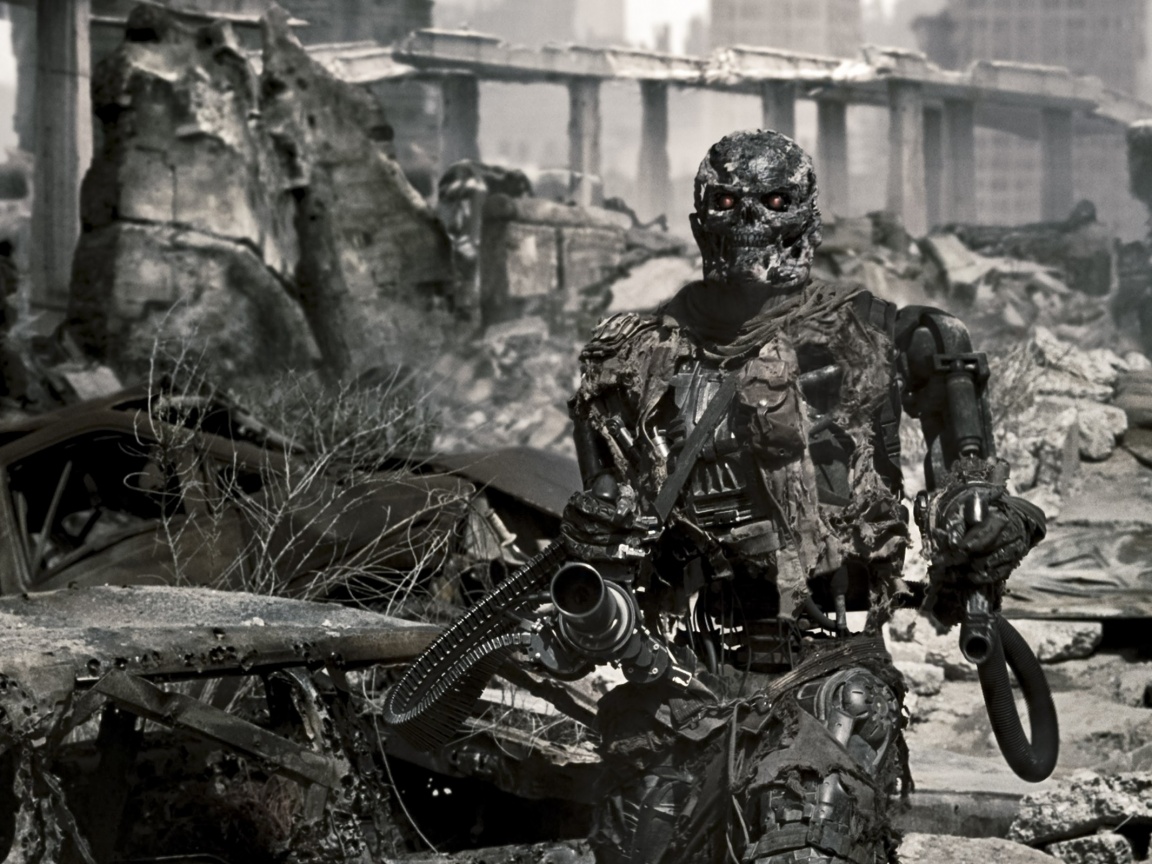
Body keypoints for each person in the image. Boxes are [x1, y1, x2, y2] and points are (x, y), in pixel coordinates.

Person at [556, 129, 1047, 864]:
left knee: (812, 835)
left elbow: (967, 478)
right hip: (679, 674)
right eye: (728, 203)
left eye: (774, 201)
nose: (751, 219)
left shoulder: (877, 334)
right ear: (700, 218)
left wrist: (978, 522)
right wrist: (595, 554)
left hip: (824, 660)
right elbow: (603, 518)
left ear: (805, 216)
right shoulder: (631, 355)